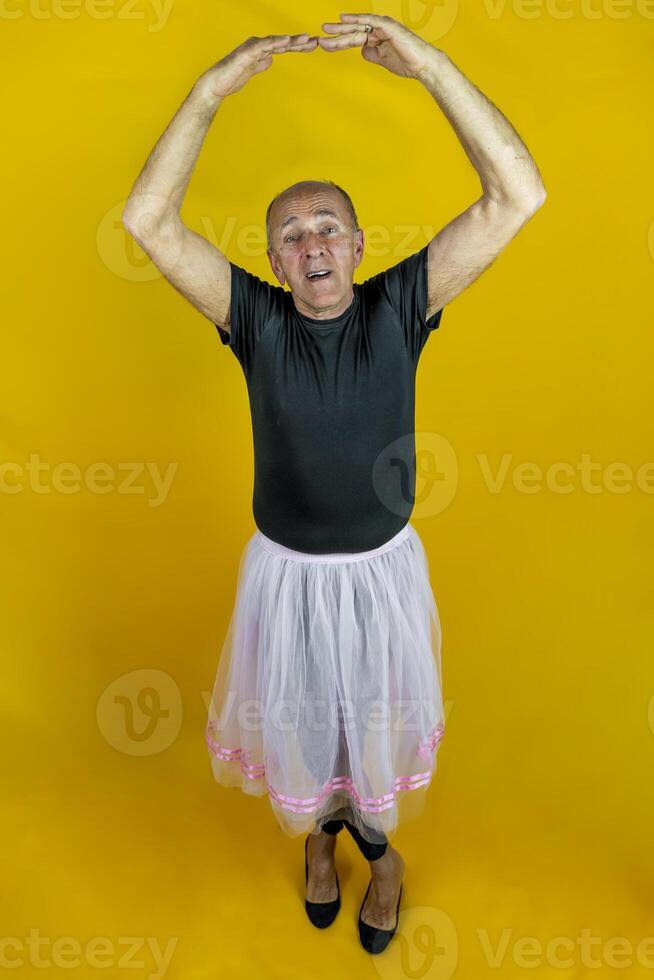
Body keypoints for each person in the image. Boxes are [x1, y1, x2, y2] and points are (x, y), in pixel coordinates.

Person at [122, 13, 546, 955]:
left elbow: (517, 193)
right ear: (273, 262)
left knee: (372, 730)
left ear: (358, 244)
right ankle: (321, 841)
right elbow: (147, 222)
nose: (310, 244)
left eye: (327, 227)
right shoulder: (254, 320)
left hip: (381, 575)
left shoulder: (403, 304)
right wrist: (209, 93)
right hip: (288, 577)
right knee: (304, 721)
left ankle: (380, 854)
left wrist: (429, 65)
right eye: (290, 234)